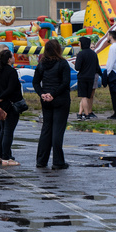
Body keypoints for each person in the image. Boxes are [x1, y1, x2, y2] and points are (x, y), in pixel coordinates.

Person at [33, 39, 71, 170]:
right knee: (57, 130)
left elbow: (35, 82)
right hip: (60, 100)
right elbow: (65, 82)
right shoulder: (63, 63)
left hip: (46, 101)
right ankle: (58, 161)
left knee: (46, 129)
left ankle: (41, 160)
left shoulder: (41, 64)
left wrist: (42, 94)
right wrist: (53, 94)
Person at [0, 49, 23, 166]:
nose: (13, 58)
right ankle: (6, 158)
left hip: (0, 106)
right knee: (8, 131)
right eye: (12, 56)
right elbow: (11, 88)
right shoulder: (11, 72)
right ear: (8, 59)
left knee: (2, 130)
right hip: (10, 104)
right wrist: (1, 97)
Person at [74, 36, 100, 120]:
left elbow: (77, 67)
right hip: (91, 77)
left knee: (83, 97)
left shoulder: (81, 54)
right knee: (88, 96)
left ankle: (86, 114)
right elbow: (97, 66)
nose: (78, 44)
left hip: (82, 77)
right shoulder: (93, 54)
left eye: (79, 42)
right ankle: (82, 113)